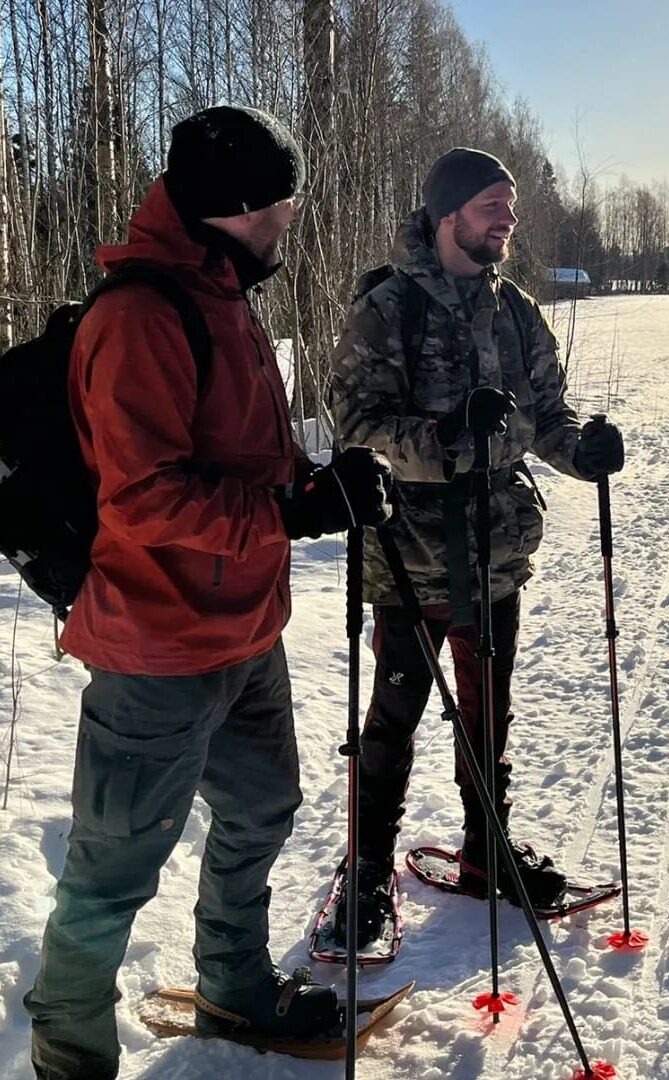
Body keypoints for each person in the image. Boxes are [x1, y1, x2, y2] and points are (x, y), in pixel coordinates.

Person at [23, 105, 394, 1079]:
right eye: (272, 209)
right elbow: (142, 498)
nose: (284, 226)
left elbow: (241, 462)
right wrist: (290, 519)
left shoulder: (226, 292)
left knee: (264, 807)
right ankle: (70, 1054)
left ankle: (232, 988)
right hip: (154, 644)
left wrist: (316, 483)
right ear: (219, 209)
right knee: (110, 874)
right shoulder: (141, 315)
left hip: (243, 629)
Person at [329, 146, 624, 944]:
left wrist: (579, 450)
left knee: (488, 717)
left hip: (494, 557)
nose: (509, 220)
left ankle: (485, 849)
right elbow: (355, 426)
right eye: (494, 205)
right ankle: (365, 873)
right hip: (407, 559)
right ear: (448, 213)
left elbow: (547, 414)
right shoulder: (389, 307)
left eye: (511, 208)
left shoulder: (516, 310)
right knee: (392, 722)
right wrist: (446, 435)